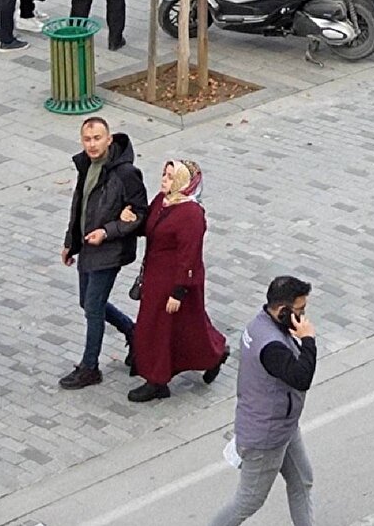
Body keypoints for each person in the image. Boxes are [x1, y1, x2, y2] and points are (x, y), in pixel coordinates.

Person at [211, 276, 318, 526]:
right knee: (249, 501)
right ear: (283, 311)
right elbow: (301, 377)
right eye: (300, 311)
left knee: (302, 479)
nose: (304, 318)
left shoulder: (260, 325)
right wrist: (308, 339)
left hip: (283, 424)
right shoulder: (271, 346)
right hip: (266, 436)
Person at [119, 160, 228, 402]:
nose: (164, 180)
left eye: (170, 177)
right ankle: (213, 353)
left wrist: (178, 292)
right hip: (156, 277)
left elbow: (189, 255)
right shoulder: (163, 200)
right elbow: (150, 227)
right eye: (164, 175)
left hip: (174, 282)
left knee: (158, 327)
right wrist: (132, 219)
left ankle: (157, 380)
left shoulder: (191, 214)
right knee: (185, 327)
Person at [59, 117, 147, 390]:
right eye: (87, 139)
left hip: (109, 250)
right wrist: (70, 242)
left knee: (94, 306)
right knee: (87, 302)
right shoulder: (86, 165)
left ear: (109, 139)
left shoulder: (125, 173)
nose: (92, 144)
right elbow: (80, 206)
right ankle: (132, 331)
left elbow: (141, 214)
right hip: (86, 248)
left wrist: (108, 231)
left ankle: (90, 367)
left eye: (97, 138)